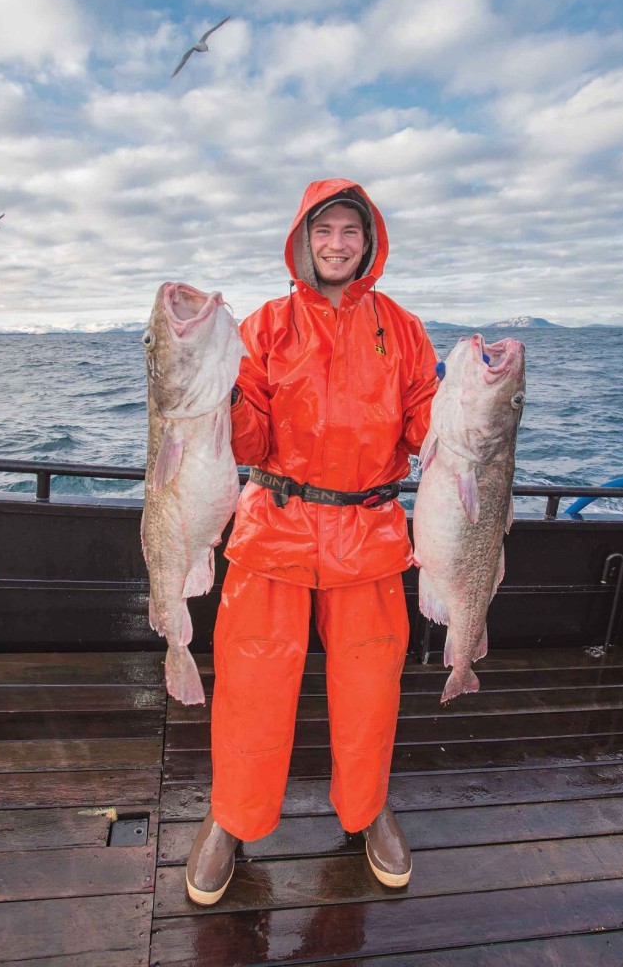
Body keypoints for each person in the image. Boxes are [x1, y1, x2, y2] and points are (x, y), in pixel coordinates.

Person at [186, 177, 439, 905]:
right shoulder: (263, 328)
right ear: (303, 239)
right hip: (276, 526)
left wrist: (472, 412)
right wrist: (224, 392)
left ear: (369, 242)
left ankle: (367, 809)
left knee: (370, 687)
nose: (336, 244)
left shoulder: (405, 328)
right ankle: (232, 817)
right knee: (250, 684)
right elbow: (251, 438)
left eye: (349, 232)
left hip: (371, 531)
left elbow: (427, 431)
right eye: (324, 230)